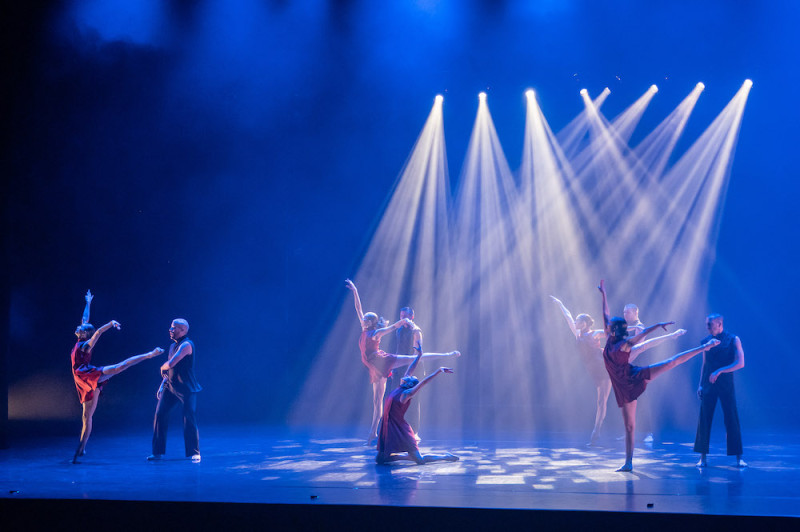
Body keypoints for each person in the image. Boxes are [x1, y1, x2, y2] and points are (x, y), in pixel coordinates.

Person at [598, 280, 717, 471]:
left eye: (609, 325)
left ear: (614, 330)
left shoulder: (625, 344)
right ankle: (628, 463)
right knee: (629, 427)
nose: (606, 325)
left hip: (632, 377)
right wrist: (603, 294)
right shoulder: (609, 337)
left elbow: (642, 333)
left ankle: (704, 347)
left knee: (671, 362)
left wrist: (658, 325)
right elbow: (605, 314)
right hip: (621, 386)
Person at [344, 279, 460, 445]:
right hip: (374, 369)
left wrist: (405, 322)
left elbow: (392, 328)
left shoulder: (376, 333)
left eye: (367, 320)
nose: (363, 320)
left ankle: (447, 354)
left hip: (383, 361)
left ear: (372, 323)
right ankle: (373, 434)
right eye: (364, 319)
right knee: (377, 403)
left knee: (414, 358)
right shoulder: (364, 328)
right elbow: (358, 309)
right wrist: (355, 290)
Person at [71, 290, 164, 463]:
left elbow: (97, 332)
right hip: (82, 380)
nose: (79, 327)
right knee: (86, 417)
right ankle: (82, 448)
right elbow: (85, 319)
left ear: (84, 335)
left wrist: (110, 323)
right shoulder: (80, 338)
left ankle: (150, 354)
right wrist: (88, 302)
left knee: (119, 367)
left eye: (81, 329)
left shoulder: (85, 346)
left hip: (88, 375)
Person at [376, 350, 459, 465]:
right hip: (388, 426)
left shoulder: (407, 393)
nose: (407, 376)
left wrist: (438, 371)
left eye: (411, 378)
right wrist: (419, 356)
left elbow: (423, 382)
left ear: (410, 384)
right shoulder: (402, 386)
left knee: (419, 460)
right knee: (380, 459)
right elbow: (410, 369)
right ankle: (407, 457)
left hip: (400, 428)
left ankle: (445, 456)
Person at [551, 296, 610, 445]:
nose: (576, 323)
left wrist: (629, 328)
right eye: (576, 321)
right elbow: (568, 317)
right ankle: (597, 430)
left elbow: (611, 332)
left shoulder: (594, 333)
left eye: (579, 321)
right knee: (600, 401)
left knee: (602, 401)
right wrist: (560, 304)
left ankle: (596, 431)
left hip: (603, 366)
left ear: (584, 323)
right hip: (593, 369)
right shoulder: (578, 334)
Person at [693, 314, 746, 468]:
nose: (707, 327)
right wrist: (700, 385)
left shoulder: (733, 339)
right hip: (709, 384)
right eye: (707, 324)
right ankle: (702, 458)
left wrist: (720, 371)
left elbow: (740, 363)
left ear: (719, 324)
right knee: (704, 420)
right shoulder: (705, 342)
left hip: (726, 385)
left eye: (710, 324)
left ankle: (738, 457)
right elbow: (704, 365)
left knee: (731, 419)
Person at [148, 319, 202, 463]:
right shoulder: (173, 346)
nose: (170, 330)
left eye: (174, 328)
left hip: (186, 388)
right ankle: (157, 452)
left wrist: (161, 367)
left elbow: (171, 364)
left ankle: (194, 452)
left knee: (188, 418)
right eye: (171, 327)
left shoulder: (187, 345)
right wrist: (162, 385)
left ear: (183, 331)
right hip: (170, 387)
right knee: (160, 414)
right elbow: (169, 371)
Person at [385, 306, 424, 436]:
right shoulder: (399, 330)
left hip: (414, 367)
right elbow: (398, 350)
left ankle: (414, 432)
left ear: (411, 317)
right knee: (396, 398)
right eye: (401, 316)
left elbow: (417, 353)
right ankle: (397, 430)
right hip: (400, 367)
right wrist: (393, 367)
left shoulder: (416, 331)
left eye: (405, 316)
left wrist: (409, 373)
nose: (403, 319)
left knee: (413, 400)